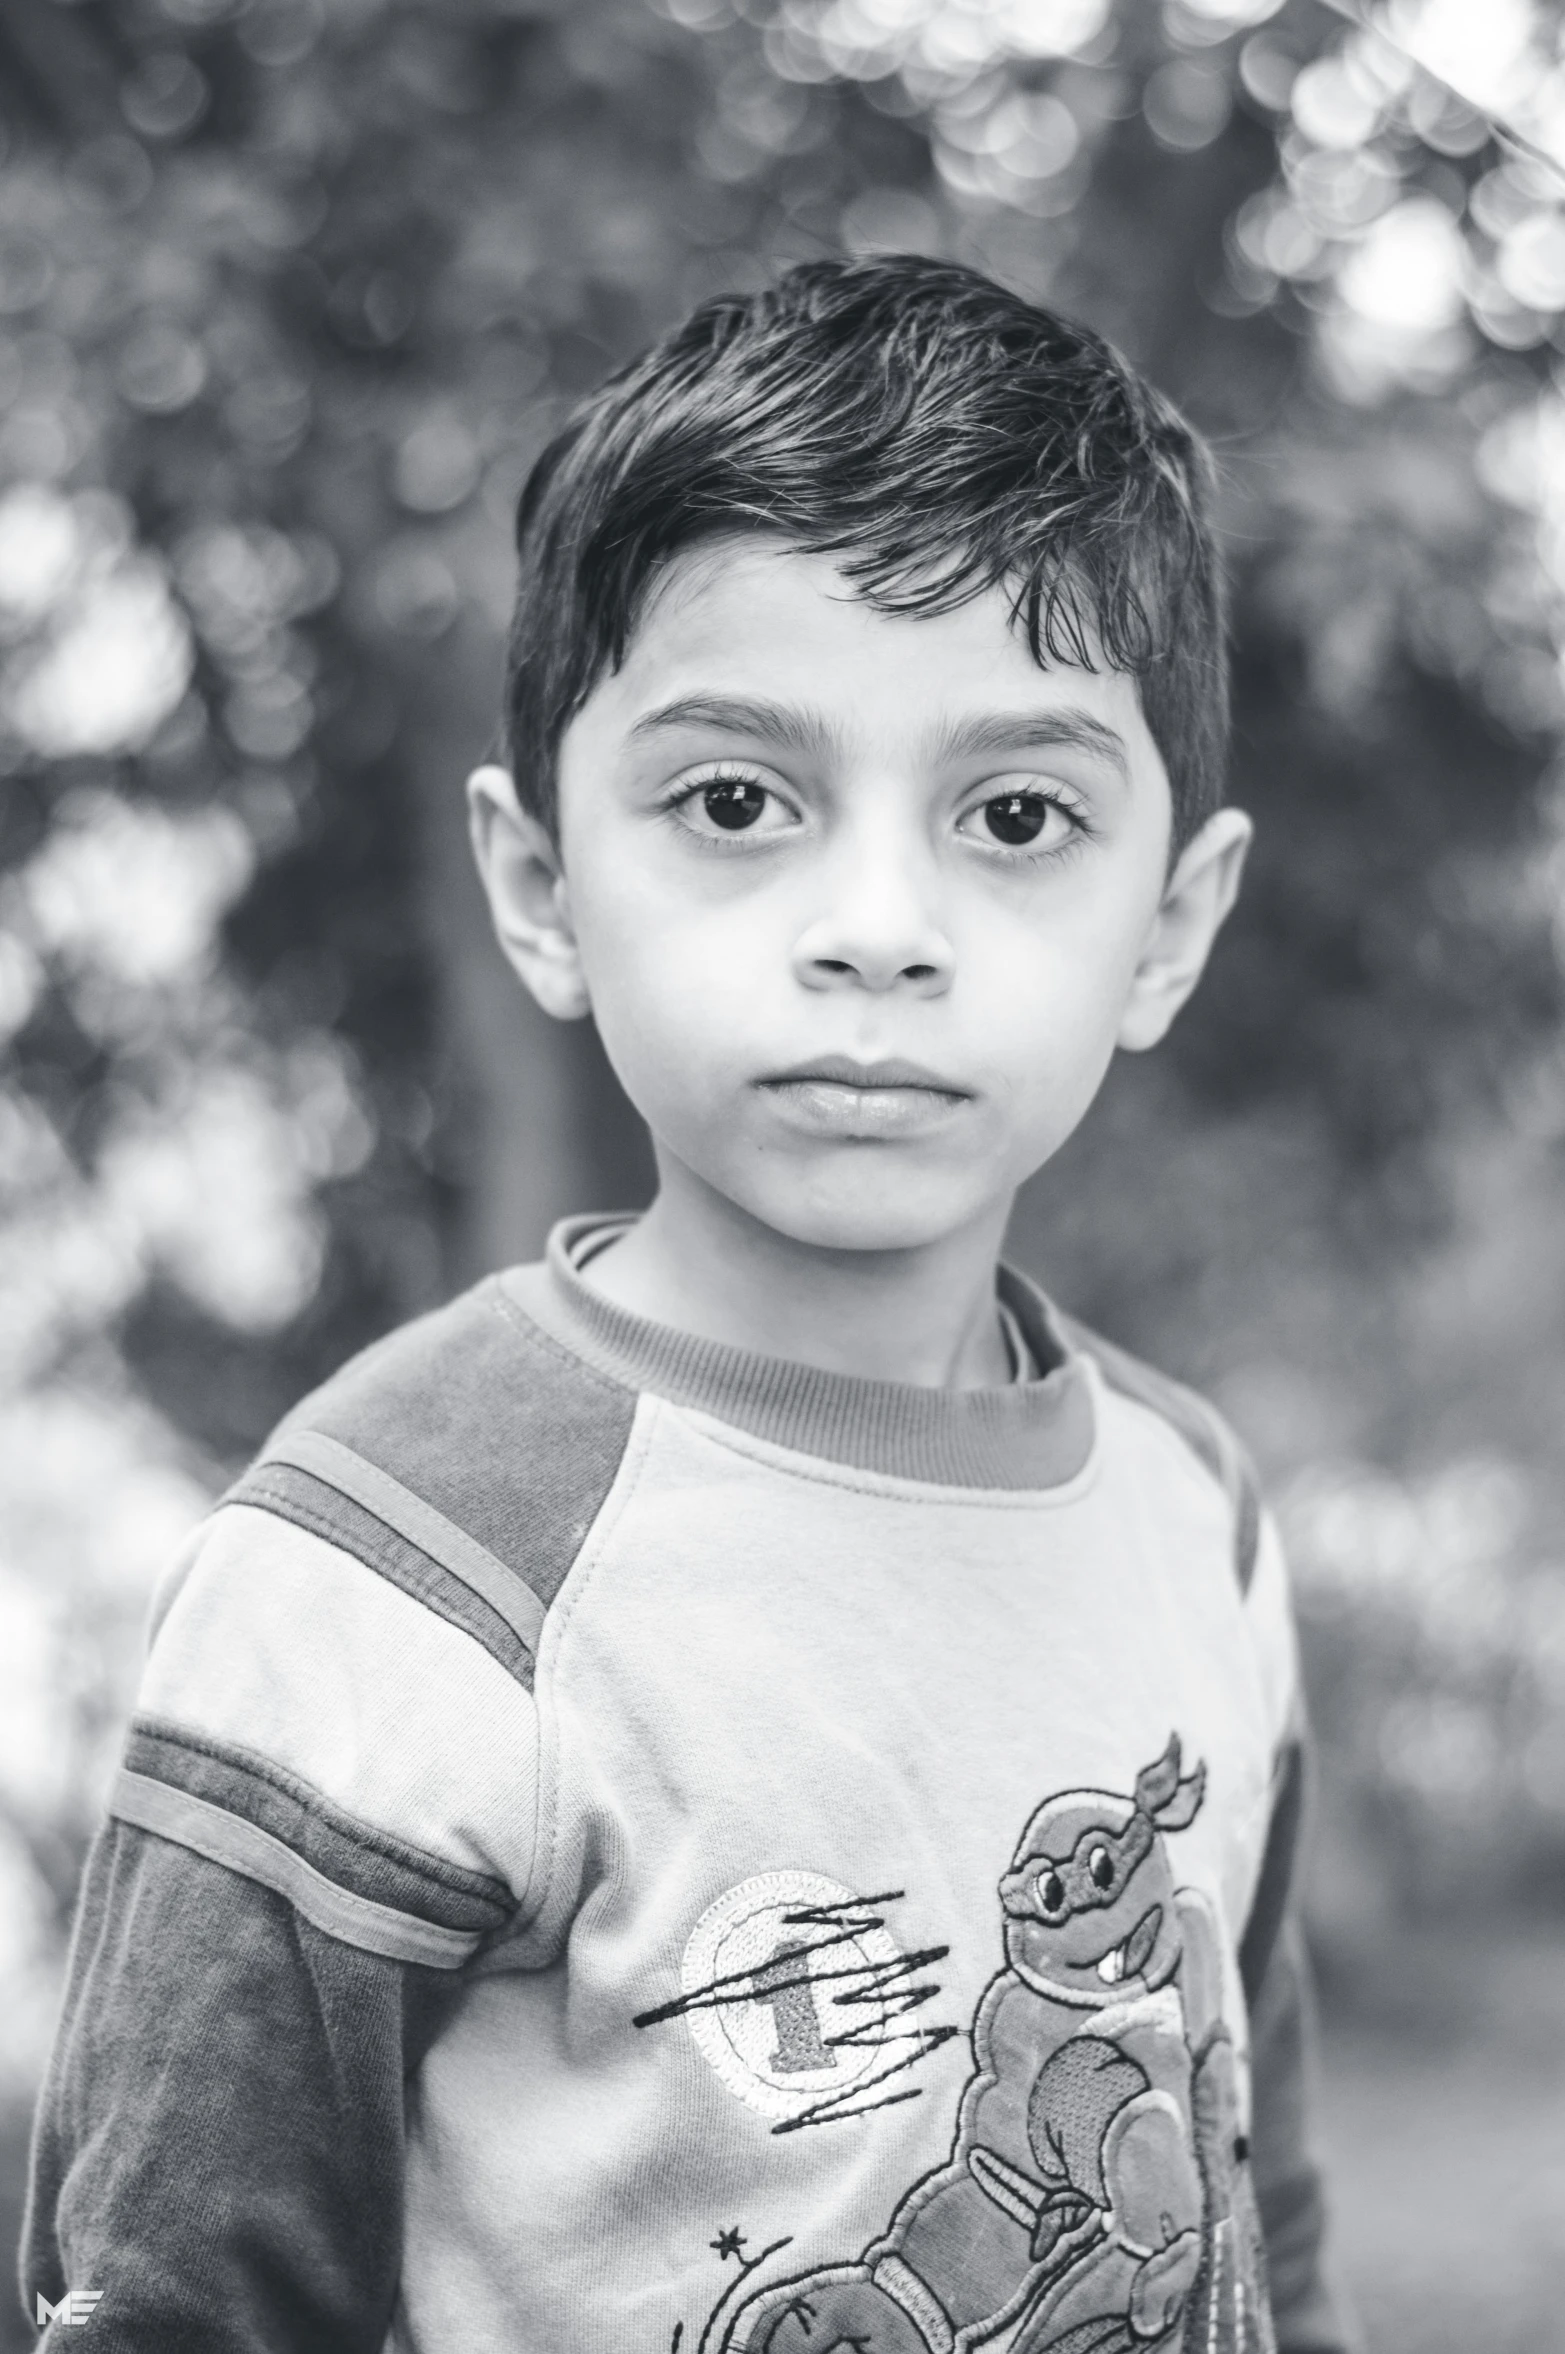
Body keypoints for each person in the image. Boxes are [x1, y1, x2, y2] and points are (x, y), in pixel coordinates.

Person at [23, 257, 1357, 2354]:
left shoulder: (1195, 1515)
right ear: (543, 882)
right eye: (735, 801)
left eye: (1015, 816)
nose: (874, 930)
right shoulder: (385, 1576)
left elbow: (1249, 2212)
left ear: (1167, 926)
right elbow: (181, 2307)